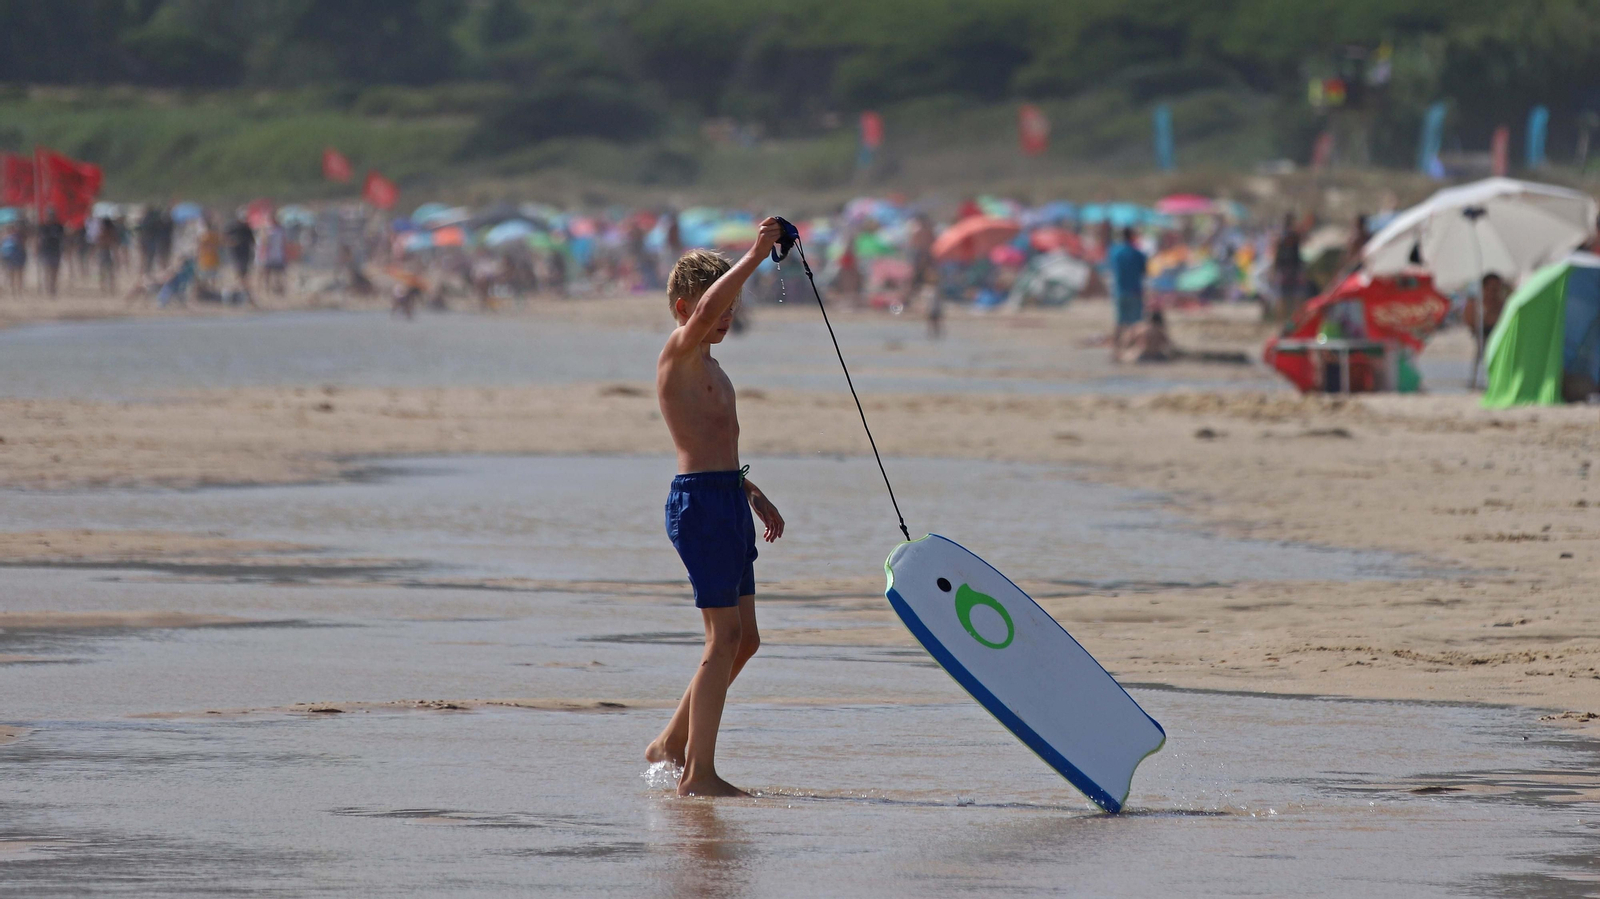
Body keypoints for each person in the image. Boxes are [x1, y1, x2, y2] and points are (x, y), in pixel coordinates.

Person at [646, 222, 786, 798]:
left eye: (733, 310)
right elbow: (705, 309)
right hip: (699, 506)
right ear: (685, 307)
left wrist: (753, 493)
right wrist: (758, 253)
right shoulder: (680, 350)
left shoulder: (714, 366)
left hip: (728, 496)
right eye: (719, 306)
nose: (726, 318)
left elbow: (720, 443)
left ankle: (671, 743)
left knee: (744, 639)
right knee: (721, 636)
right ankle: (698, 775)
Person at [1108, 226, 1147, 361]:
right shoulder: (1138, 253)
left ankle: (1116, 352)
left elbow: (1112, 268)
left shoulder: (1115, 252)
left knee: (1120, 323)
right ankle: (1135, 352)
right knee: (1136, 323)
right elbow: (1144, 271)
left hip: (1120, 291)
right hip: (1135, 290)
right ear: (1132, 236)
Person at [1464, 272, 1510, 388]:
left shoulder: (1502, 303)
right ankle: (1476, 380)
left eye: (1497, 288)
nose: (1494, 291)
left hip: (1498, 334)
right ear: (1484, 288)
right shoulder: (1475, 304)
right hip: (1482, 333)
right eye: (1492, 288)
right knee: (1481, 354)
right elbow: (1469, 321)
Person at [1272, 213, 1304, 320]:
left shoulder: (1283, 235)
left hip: (1287, 269)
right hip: (1290, 269)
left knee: (1285, 298)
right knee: (1289, 298)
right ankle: (1290, 321)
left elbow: (1277, 254)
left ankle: (1286, 321)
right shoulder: (1292, 235)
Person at [37, 210, 64, 297]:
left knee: (55, 271)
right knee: (47, 270)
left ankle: (53, 287)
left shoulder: (59, 226)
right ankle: (47, 287)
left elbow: (63, 238)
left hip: (56, 250)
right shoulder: (43, 226)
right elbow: (39, 238)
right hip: (46, 250)